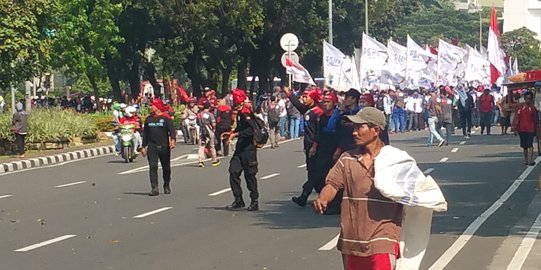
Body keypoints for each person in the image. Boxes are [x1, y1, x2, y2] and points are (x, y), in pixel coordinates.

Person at [313, 107, 403, 270]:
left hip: (384, 237)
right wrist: (322, 199)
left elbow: (413, 189)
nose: (354, 132)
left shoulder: (395, 159)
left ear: (375, 130)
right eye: (353, 128)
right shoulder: (347, 159)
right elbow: (332, 184)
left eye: (359, 127)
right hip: (352, 240)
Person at [284, 86, 324, 207]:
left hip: (315, 147)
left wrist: (315, 146)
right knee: (312, 172)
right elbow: (298, 105)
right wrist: (289, 94)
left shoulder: (318, 112)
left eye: (306, 97)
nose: (303, 99)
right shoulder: (307, 110)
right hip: (308, 146)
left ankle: (304, 196)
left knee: (314, 173)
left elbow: (319, 132)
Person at [225, 88, 260, 211]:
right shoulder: (240, 113)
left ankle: (254, 200)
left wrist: (236, 135)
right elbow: (240, 128)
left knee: (250, 175)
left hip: (249, 149)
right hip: (240, 149)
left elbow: (251, 130)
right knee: (233, 171)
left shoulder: (246, 113)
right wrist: (231, 133)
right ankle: (238, 199)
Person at [141, 99, 177, 196]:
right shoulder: (148, 119)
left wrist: (173, 140)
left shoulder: (166, 118)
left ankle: (166, 185)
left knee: (166, 167)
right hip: (152, 147)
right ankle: (154, 188)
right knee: (153, 167)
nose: (150, 107)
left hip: (164, 147)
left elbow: (172, 130)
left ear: (158, 107)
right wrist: (143, 146)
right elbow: (145, 134)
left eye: (152, 105)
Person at [514, 92, 538, 166]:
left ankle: (530, 160)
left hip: (530, 129)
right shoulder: (520, 108)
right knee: (524, 146)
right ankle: (526, 160)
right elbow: (517, 118)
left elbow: (535, 119)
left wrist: (536, 129)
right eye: (527, 98)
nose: (528, 100)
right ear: (524, 99)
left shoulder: (533, 108)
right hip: (522, 129)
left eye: (530, 99)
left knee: (530, 144)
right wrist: (515, 128)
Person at [197, 102, 220, 167]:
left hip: (202, 131)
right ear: (209, 107)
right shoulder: (210, 114)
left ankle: (200, 160)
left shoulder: (199, 114)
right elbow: (213, 124)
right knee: (212, 146)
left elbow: (198, 123)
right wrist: (214, 129)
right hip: (209, 130)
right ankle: (214, 160)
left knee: (201, 146)